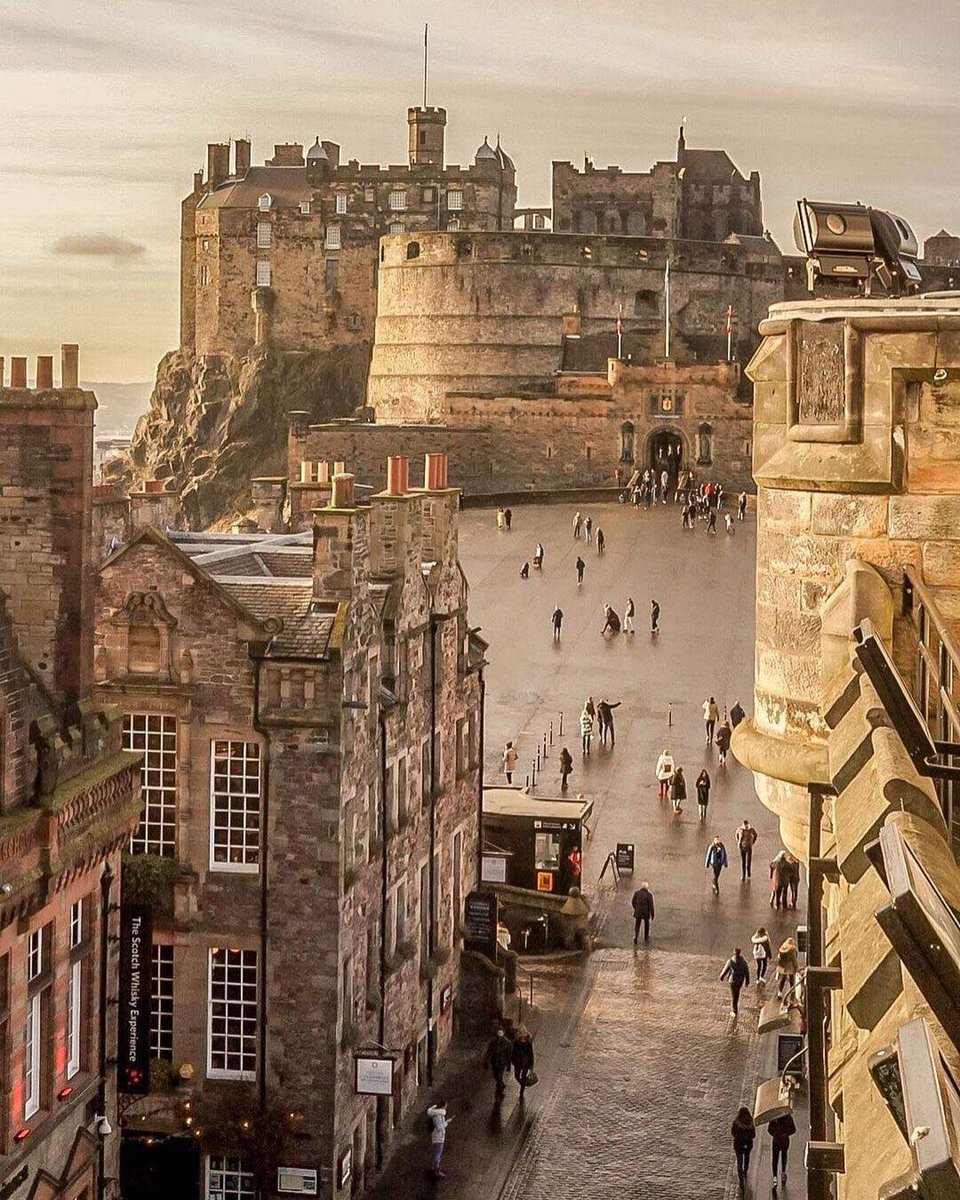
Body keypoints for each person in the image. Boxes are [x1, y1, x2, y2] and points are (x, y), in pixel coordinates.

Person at [768, 1111, 797, 1192]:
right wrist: (786, 1134)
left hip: (777, 1141)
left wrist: (775, 1134)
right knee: (783, 1156)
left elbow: (769, 1129)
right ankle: (782, 1172)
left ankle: (775, 1176)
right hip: (784, 1140)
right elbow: (793, 1129)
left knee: (775, 1159)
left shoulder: (775, 1118)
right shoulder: (788, 1118)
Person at [731, 1106, 756, 1193]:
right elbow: (753, 1135)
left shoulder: (736, 1122)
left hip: (738, 1144)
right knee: (747, 1157)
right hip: (748, 1144)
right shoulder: (750, 1123)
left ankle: (740, 1177)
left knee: (739, 1161)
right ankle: (745, 1171)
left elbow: (733, 1132)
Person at [720, 946, 751, 1017]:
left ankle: (734, 1010)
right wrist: (747, 981)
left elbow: (725, 970)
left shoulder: (731, 961)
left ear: (734, 952)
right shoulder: (743, 962)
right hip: (740, 981)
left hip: (732, 981)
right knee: (736, 994)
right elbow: (747, 972)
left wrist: (721, 976)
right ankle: (735, 1008)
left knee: (733, 995)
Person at [426, 1100, 452, 1178]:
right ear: (443, 1107)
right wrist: (447, 1122)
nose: (446, 1107)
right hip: (439, 1136)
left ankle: (434, 1168)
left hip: (437, 1136)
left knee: (437, 1152)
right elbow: (439, 1128)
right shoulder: (439, 1115)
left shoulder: (436, 1113)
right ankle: (436, 1169)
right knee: (438, 1153)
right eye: (445, 1106)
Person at [486, 1026, 513, 1097]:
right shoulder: (493, 1042)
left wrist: (508, 1066)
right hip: (494, 1061)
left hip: (502, 1062)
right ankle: (501, 1084)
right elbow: (489, 1051)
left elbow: (509, 1055)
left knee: (500, 1075)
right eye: (498, 1033)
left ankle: (499, 1090)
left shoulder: (507, 1043)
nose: (499, 1035)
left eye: (501, 1033)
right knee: (495, 1075)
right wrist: (487, 1061)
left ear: (503, 1033)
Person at [511, 1027, 535, 1099]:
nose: (522, 1034)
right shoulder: (516, 1042)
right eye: (521, 1033)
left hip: (525, 1063)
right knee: (517, 1076)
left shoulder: (528, 1043)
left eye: (523, 1033)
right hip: (518, 1062)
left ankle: (522, 1091)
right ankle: (523, 1084)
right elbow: (513, 1051)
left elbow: (531, 1054)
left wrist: (531, 1065)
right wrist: (513, 1060)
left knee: (524, 1077)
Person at [775, 936, 799, 1001]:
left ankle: (779, 993)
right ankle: (792, 991)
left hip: (783, 966)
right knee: (791, 979)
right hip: (790, 966)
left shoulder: (782, 949)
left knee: (783, 979)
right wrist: (796, 968)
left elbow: (779, 958)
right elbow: (794, 960)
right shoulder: (792, 951)